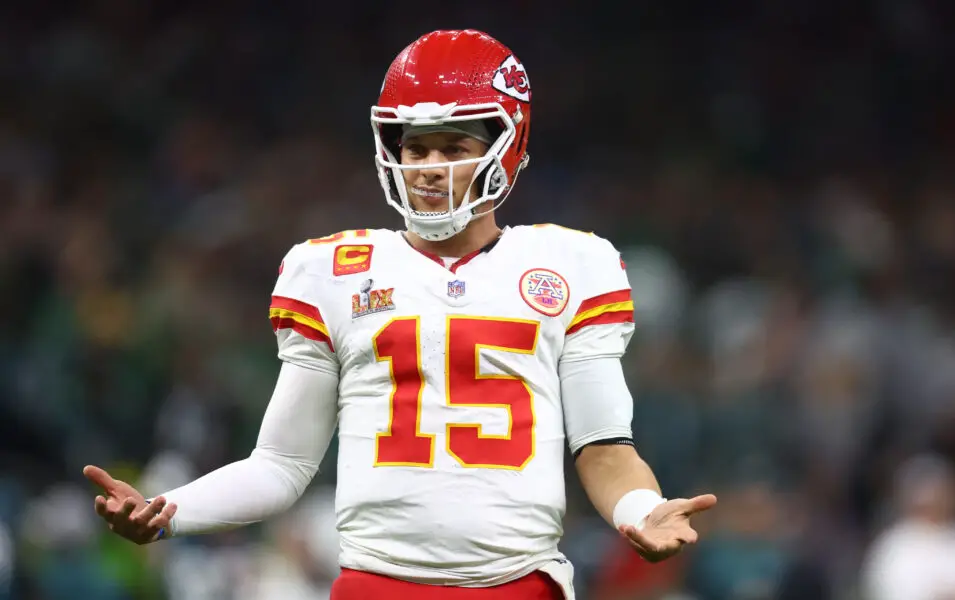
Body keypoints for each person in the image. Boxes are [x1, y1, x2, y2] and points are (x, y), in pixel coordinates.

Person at [84, 29, 717, 599]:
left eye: (453, 146)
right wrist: (169, 512)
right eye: (415, 148)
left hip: (520, 585)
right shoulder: (332, 271)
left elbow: (604, 449)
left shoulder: (573, 264)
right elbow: (281, 464)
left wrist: (640, 510)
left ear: (507, 143)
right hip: (375, 585)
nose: (431, 169)